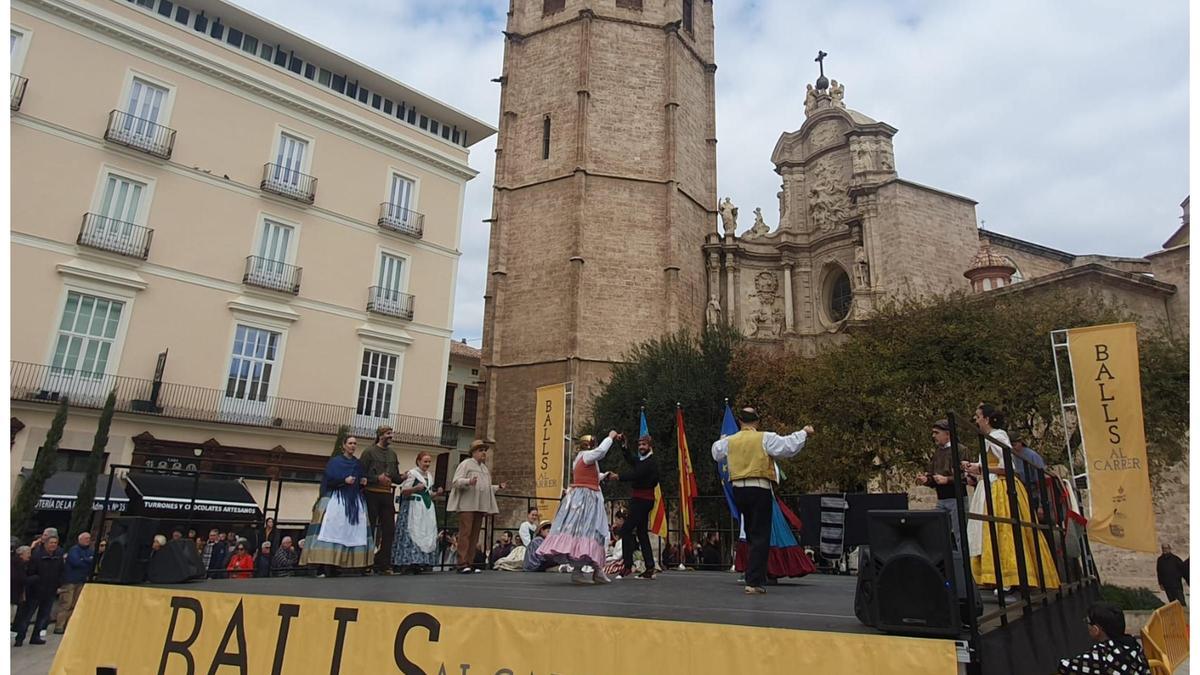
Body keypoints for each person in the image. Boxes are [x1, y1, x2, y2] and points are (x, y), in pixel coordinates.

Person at [711, 407, 813, 594]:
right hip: (759, 487)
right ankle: (754, 580)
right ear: (757, 422)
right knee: (761, 535)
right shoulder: (764, 438)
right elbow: (787, 446)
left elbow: (716, 452)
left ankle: (752, 573)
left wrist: (725, 438)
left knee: (749, 532)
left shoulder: (730, 441)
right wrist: (803, 432)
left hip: (739, 490)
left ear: (740, 422)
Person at [962, 403, 1060, 597]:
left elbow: (1007, 466)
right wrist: (973, 467)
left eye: (978, 416)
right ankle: (995, 577)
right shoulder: (988, 438)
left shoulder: (998, 436)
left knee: (1004, 531)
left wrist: (980, 469)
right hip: (989, 486)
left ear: (987, 419)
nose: (976, 419)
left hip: (1000, 489)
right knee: (990, 531)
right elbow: (989, 464)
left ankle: (1010, 578)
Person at [537, 431, 619, 585]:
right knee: (587, 531)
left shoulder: (581, 458)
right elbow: (601, 452)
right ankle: (579, 570)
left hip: (588, 497)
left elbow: (591, 475)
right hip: (586, 499)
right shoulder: (586, 456)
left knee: (596, 531)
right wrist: (610, 437)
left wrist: (605, 475)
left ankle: (597, 569)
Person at [301, 436, 374, 576]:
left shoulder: (358, 464)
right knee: (331, 530)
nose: (353, 446)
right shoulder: (335, 462)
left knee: (350, 532)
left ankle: (344, 564)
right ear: (344, 445)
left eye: (355, 444)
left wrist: (362, 481)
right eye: (350, 443)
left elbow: (360, 478)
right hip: (337, 498)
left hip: (354, 501)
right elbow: (329, 479)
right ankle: (324, 565)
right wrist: (343, 480)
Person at [447, 440, 507, 574]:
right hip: (467, 505)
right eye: (481, 450)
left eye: (484, 450)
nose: (484, 453)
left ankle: (470, 562)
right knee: (465, 533)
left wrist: (497, 487)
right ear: (473, 452)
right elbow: (456, 482)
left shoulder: (484, 469)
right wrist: (468, 481)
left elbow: (485, 488)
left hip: (479, 505)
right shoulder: (465, 464)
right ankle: (462, 563)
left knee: (474, 535)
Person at [607, 432, 660, 580]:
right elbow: (631, 460)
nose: (641, 447)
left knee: (625, 530)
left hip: (642, 501)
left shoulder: (650, 462)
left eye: (644, 445)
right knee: (642, 533)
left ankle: (627, 566)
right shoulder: (643, 460)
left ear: (650, 446)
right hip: (640, 500)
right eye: (639, 445)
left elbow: (637, 474)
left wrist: (618, 477)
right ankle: (649, 567)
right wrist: (624, 445)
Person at [915, 419, 968, 551]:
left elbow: (967, 476)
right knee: (936, 533)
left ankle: (964, 567)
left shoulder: (961, 450)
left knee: (960, 535)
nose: (934, 436)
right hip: (941, 500)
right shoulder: (937, 452)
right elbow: (933, 476)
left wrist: (947, 480)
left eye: (937, 433)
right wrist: (926, 480)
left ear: (948, 434)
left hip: (957, 499)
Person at [1057, 602, 1150, 674]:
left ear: (1096, 629)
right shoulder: (1134, 645)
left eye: (1087, 621)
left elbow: (1064, 667)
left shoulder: (1101, 655)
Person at [392, 450, 445, 573]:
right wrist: (416, 488)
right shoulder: (412, 474)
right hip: (413, 506)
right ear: (419, 461)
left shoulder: (429, 476)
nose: (427, 464)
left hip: (425, 508)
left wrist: (437, 494)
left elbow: (427, 494)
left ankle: (421, 561)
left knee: (425, 533)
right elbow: (404, 491)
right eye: (425, 461)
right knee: (413, 532)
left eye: (429, 462)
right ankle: (408, 562)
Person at [360, 425, 402, 575]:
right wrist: (377, 478)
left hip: (386, 494)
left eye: (391, 433)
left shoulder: (393, 454)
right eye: (388, 434)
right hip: (371, 493)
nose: (390, 436)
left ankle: (384, 563)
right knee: (369, 528)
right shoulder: (368, 452)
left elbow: (396, 476)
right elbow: (361, 474)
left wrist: (402, 477)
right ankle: (366, 562)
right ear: (380, 435)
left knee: (389, 529)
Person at [14, 536, 63, 645]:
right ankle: (20, 638)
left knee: (43, 616)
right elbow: (30, 573)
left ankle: (35, 637)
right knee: (27, 616)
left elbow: (60, 572)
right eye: (51, 543)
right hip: (35, 591)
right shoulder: (36, 556)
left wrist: (58, 586)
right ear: (45, 543)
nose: (53, 545)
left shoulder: (58, 557)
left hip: (50, 591)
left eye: (55, 543)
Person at [56, 532, 95, 634]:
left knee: (75, 604)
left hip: (81, 580)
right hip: (70, 580)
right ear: (80, 539)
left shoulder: (90, 551)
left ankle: (68, 625)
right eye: (86, 538)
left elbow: (92, 561)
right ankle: (59, 626)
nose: (88, 540)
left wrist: (84, 560)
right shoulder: (74, 550)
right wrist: (87, 560)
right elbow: (76, 562)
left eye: (89, 538)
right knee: (66, 604)